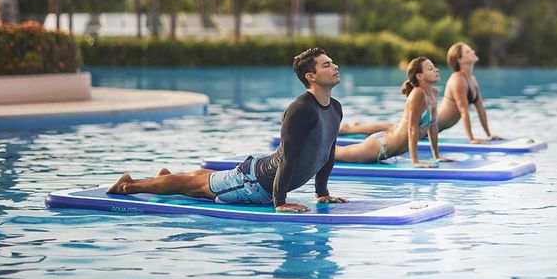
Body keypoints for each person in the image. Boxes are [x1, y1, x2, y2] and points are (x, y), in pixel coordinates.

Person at [107, 47, 348, 212]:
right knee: (198, 187)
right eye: (327, 65)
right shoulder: (301, 110)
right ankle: (128, 185)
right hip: (255, 184)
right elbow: (288, 157)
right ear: (311, 76)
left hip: (259, 175)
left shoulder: (335, 108)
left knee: (207, 181)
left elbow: (327, 152)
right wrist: (280, 201)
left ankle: (166, 179)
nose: (335, 66)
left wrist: (321, 192)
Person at [338, 42, 502, 143]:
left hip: (436, 127)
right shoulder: (457, 80)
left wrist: (488, 135)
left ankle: (357, 127)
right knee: (394, 130)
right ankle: (349, 130)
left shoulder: (472, 79)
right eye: (467, 51)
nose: (473, 51)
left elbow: (480, 109)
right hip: (426, 126)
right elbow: (464, 111)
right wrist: (472, 139)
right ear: (459, 60)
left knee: (393, 127)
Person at [335, 56, 453, 168]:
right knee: (335, 154)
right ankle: (318, 143)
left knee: (336, 153)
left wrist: (437, 156)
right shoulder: (418, 94)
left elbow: (433, 126)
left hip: (388, 149)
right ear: (420, 76)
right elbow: (412, 129)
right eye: (430, 68)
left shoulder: (433, 93)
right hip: (380, 147)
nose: (436, 70)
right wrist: (415, 161)